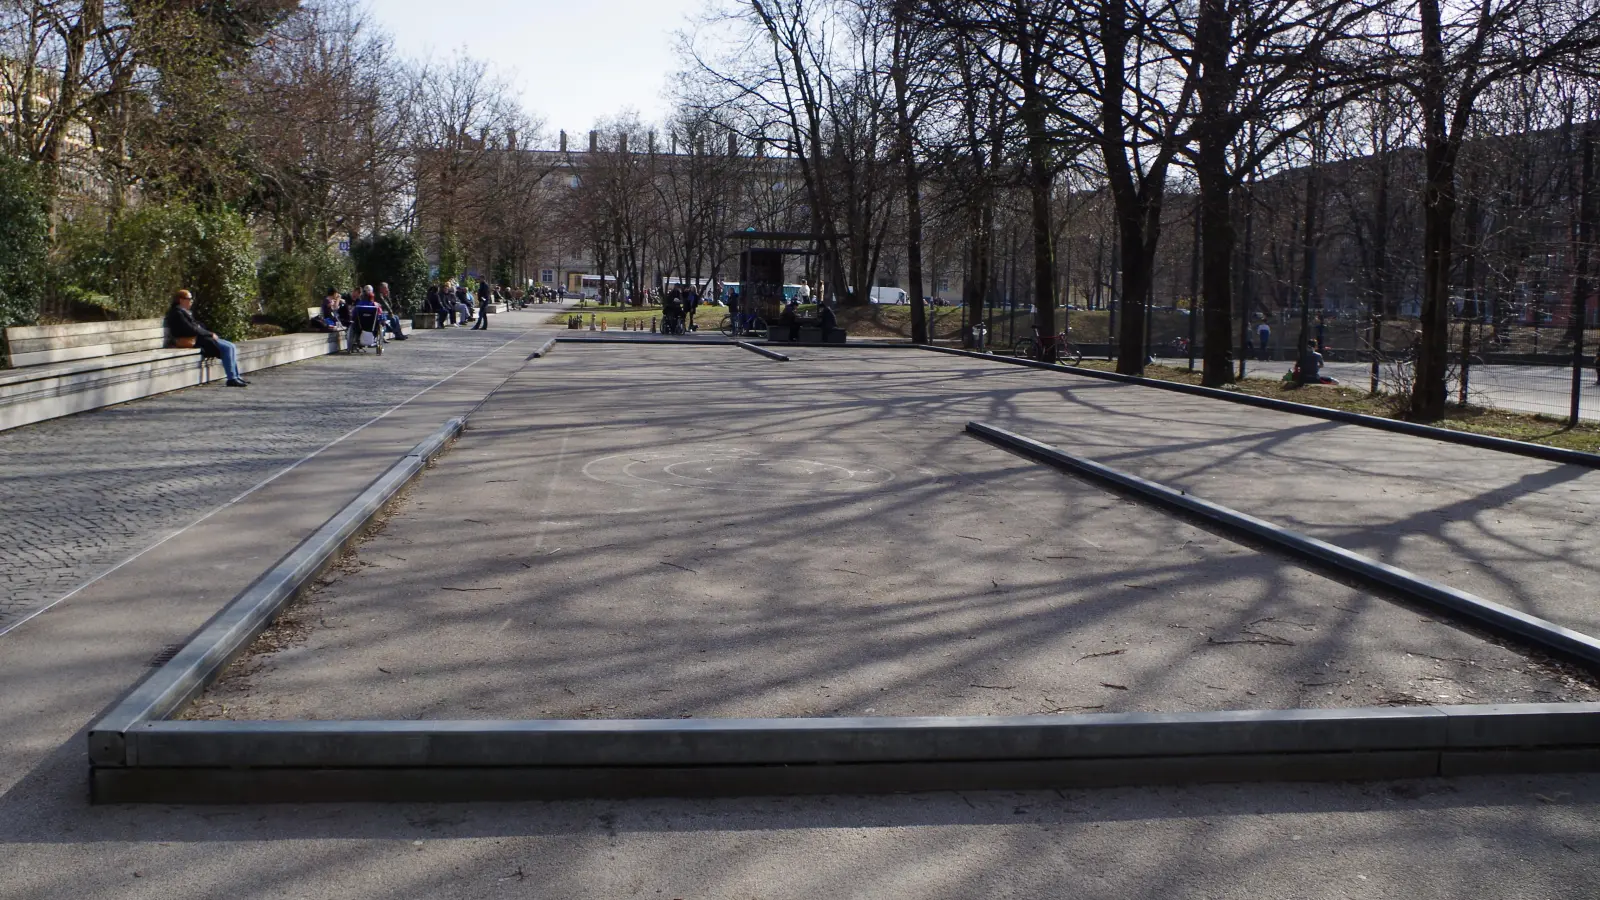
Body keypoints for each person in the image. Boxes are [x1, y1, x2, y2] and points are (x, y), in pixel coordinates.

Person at [165, 289, 247, 387]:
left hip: (198, 338)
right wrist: (210, 334)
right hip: (192, 340)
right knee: (227, 348)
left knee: (231, 345)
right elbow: (190, 329)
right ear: (181, 300)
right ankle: (231, 378)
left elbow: (196, 326)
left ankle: (236, 376)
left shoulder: (184, 312)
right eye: (189, 299)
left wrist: (205, 331)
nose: (191, 301)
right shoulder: (177, 313)